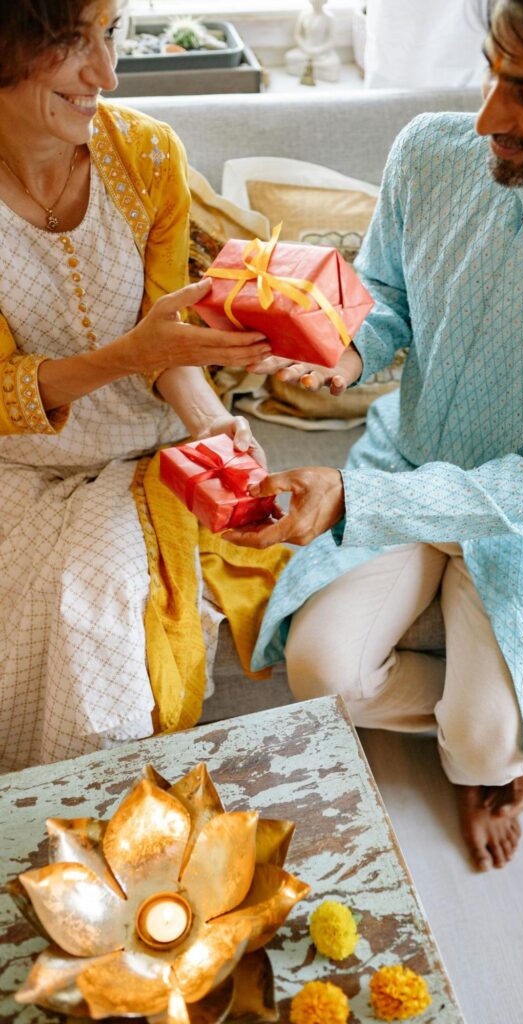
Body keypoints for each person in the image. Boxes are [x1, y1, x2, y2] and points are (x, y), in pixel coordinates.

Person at [226, 0, 523, 871]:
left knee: (479, 750)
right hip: (405, 458)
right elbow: (387, 294)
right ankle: (491, 721)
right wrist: (349, 356)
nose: (486, 120)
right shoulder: (431, 151)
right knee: (320, 675)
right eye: (489, 69)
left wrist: (357, 502)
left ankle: (486, 750)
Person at [0, 0, 283, 770]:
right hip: (15, 464)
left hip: (140, 458)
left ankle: (104, 817)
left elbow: (168, 347)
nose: (107, 72)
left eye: (111, 33)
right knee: (52, 613)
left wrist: (208, 421)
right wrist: (131, 352)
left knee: (96, 602)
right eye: (70, 43)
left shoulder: (147, 156)